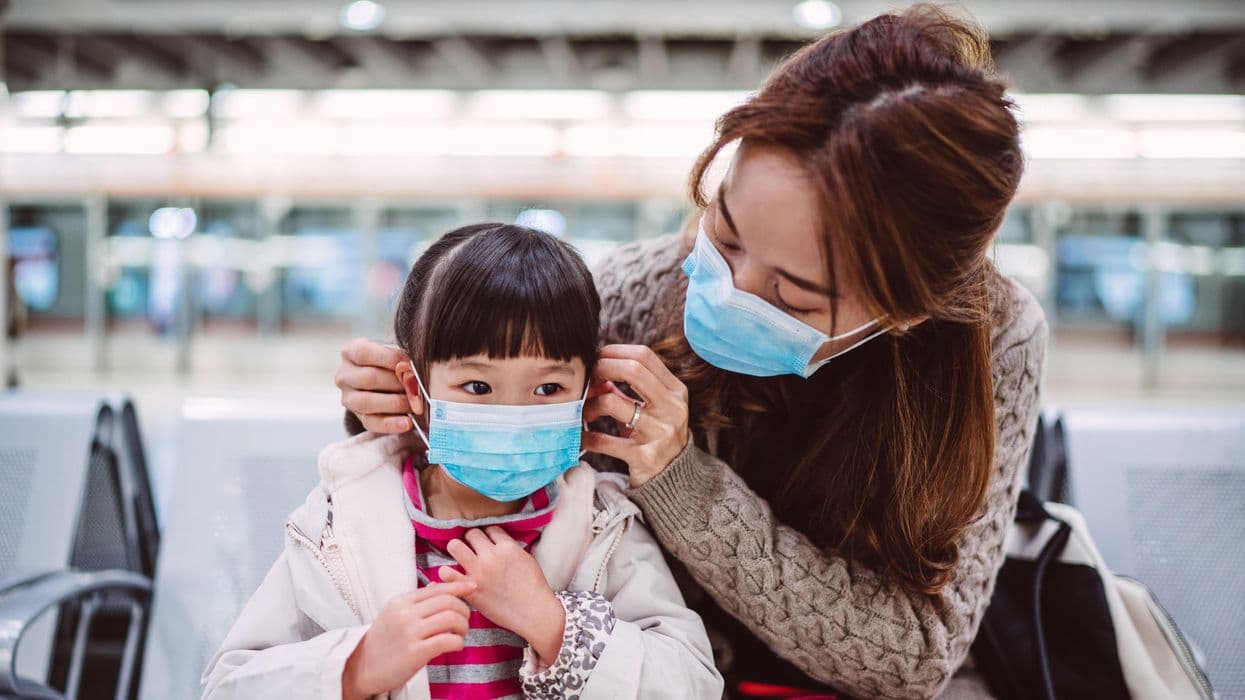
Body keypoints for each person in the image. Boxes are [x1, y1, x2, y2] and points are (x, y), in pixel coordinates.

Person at [335, 5, 1048, 698]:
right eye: (726, 234)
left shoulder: (993, 339)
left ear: (907, 309)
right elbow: (492, 482)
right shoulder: (632, 293)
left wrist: (679, 481)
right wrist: (409, 416)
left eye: (794, 297)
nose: (729, 288)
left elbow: (913, 657)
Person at [204, 224, 722, 699]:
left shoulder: (601, 525)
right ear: (416, 388)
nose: (513, 414)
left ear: (588, 393)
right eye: (478, 386)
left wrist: (555, 625)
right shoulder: (340, 523)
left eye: (548, 387)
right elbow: (228, 684)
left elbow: (693, 682)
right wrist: (356, 666)